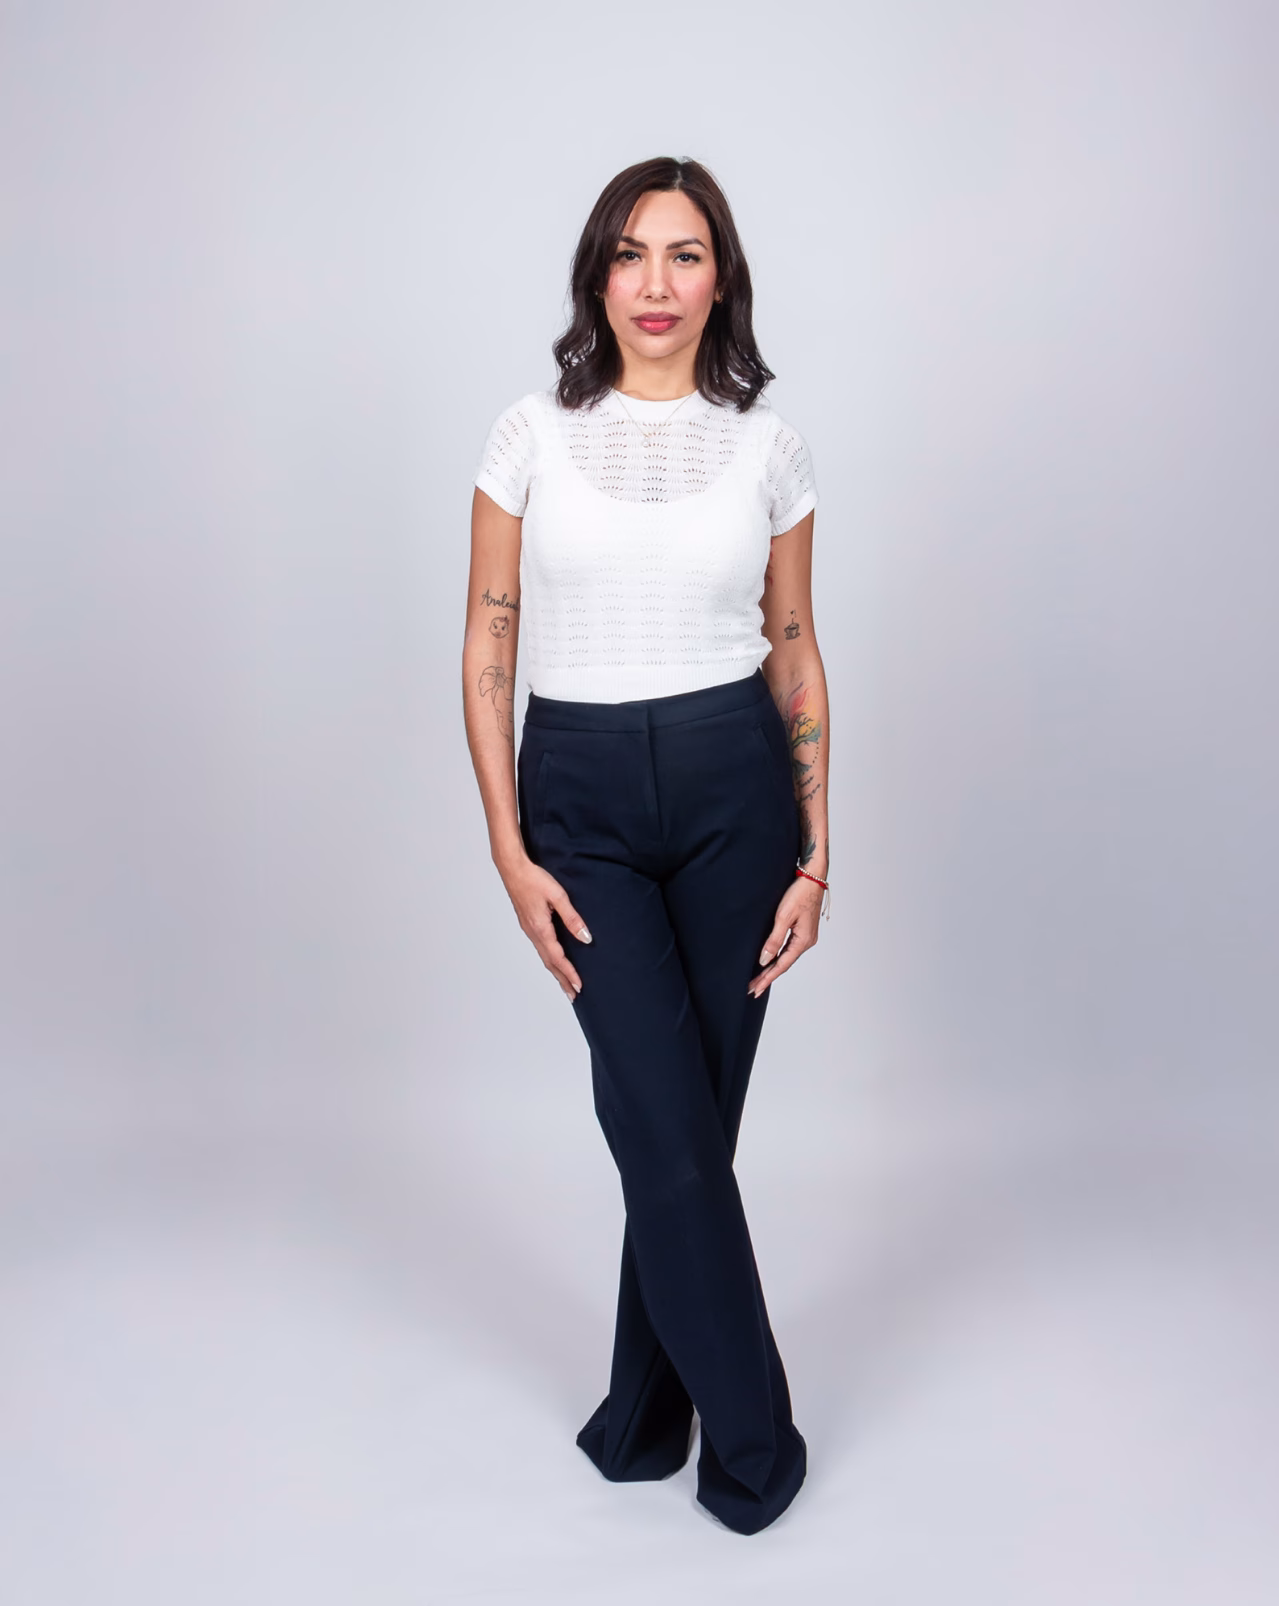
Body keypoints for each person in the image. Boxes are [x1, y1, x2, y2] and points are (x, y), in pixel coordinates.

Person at [461, 155, 830, 1535]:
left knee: (694, 1130)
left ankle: (641, 1414)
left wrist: (817, 851)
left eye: (684, 254)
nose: (655, 284)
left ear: (720, 279)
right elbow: (488, 642)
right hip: (583, 797)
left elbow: (795, 647)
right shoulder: (528, 437)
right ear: (597, 278)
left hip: (740, 790)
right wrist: (508, 848)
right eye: (629, 254)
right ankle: (757, 1448)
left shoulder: (769, 448)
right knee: (664, 1134)